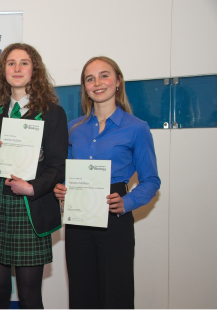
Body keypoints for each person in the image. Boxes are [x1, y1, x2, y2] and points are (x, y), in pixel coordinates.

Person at [53, 56, 161, 309]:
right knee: (81, 292)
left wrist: (127, 202)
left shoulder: (137, 128)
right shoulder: (73, 128)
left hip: (115, 213)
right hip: (79, 219)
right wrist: (61, 189)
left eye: (104, 75)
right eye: (90, 78)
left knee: (116, 292)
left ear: (118, 81)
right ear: (85, 87)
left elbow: (151, 180)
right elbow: (66, 173)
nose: (97, 83)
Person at [0, 43, 68, 309]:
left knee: (29, 296)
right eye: (11, 63)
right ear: (3, 71)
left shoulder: (53, 113)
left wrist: (33, 188)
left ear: (35, 69)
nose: (17, 68)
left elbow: (57, 165)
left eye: (24, 62)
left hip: (31, 207)